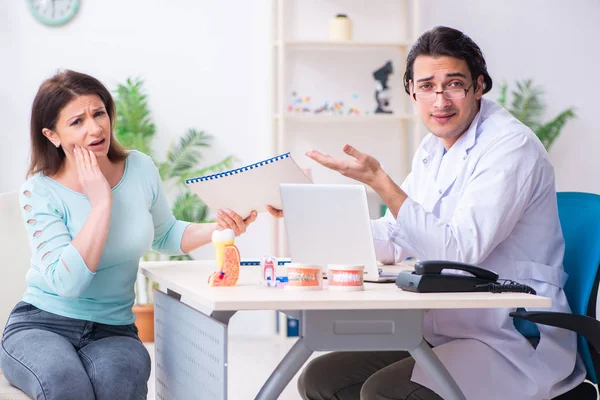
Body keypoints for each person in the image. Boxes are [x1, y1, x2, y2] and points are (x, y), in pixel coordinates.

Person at [268, 26, 585, 400]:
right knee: (321, 379)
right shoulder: (433, 148)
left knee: (385, 392)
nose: (440, 101)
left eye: (454, 84)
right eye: (427, 87)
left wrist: (381, 183)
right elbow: (398, 237)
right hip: (448, 330)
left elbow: (458, 253)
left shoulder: (511, 147)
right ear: (411, 91)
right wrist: (309, 214)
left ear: (479, 86)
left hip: (511, 337)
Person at [0, 70, 256, 400]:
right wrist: (101, 203)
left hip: (113, 329)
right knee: (67, 386)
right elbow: (68, 284)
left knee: (117, 387)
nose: (95, 128)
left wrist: (220, 229)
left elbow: (165, 234)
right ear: (52, 135)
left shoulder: (140, 168)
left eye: (99, 113)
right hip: (42, 324)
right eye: (77, 122)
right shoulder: (39, 191)